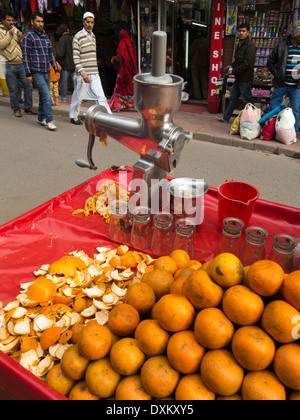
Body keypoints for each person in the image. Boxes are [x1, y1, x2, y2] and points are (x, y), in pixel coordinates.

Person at [69, 12, 111, 125]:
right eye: (88, 22)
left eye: (92, 22)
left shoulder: (93, 36)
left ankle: (108, 118)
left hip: (94, 72)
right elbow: (76, 58)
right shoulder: (78, 37)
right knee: (78, 97)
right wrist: (83, 73)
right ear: (83, 22)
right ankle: (73, 116)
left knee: (100, 96)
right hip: (82, 74)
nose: (90, 24)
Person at [22, 11, 60, 131]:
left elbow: (50, 54)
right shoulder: (28, 36)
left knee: (44, 96)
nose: (40, 24)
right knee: (47, 96)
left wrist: (56, 69)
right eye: (38, 21)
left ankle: (41, 118)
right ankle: (49, 120)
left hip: (46, 71)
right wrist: (28, 73)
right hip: (36, 72)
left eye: (42, 21)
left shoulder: (45, 36)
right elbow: (25, 56)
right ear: (32, 22)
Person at [0, 9, 37, 118]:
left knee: (28, 86)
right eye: (8, 20)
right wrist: (9, 36)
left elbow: (21, 45)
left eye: (12, 20)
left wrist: (21, 39)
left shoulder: (15, 29)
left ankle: (28, 107)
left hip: (21, 63)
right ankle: (16, 109)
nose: (11, 22)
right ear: (2, 20)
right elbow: (1, 45)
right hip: (8, 64)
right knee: (13, 90)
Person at [218, 23, 256, 123]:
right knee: (233, 98)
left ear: (248, 33)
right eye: (239, 31)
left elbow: (246, 64)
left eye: (243, 31)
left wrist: (233, 71)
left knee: (247, 101)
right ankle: (226, 118)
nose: (241, 33)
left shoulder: (250, 46)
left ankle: (253, 121)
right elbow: (238, 60)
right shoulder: (240, 44)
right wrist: (232, 65)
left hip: (245, 78)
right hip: (239, 78)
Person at [267, 20, 300, 134]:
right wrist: (277, 74)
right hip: (281, 83)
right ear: (297, 35)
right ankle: (270, 131)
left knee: (295, 110)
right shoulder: (282, 46)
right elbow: (270, 61)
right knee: (274, 108)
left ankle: (292, 134)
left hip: (296, 86)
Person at [109, 29, 138, 112]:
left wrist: (113, 59)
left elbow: (119, 57)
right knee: (130, 89)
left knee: (119, 89)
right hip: (131, 71)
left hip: (123, 71)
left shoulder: (122, 44)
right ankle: (131, 104)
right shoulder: (130, 43)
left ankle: (117, 105)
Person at [56, 23, 75, 103]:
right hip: (73, 63)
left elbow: (60, 53)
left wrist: (57, 61)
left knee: (64, 82)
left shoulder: (62, 40)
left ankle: (63, 97)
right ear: (68, 30)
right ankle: (79, 97)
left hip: (65, 64)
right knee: (75, 82)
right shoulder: (72, 38)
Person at [189, 31, 210, 100]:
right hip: (204, 64)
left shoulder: (196, 41)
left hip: (195, 63)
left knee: (195, 80)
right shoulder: (207, 43)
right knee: (204, 80)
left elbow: (190, 52)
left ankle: (197, 96)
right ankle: (205, 95)